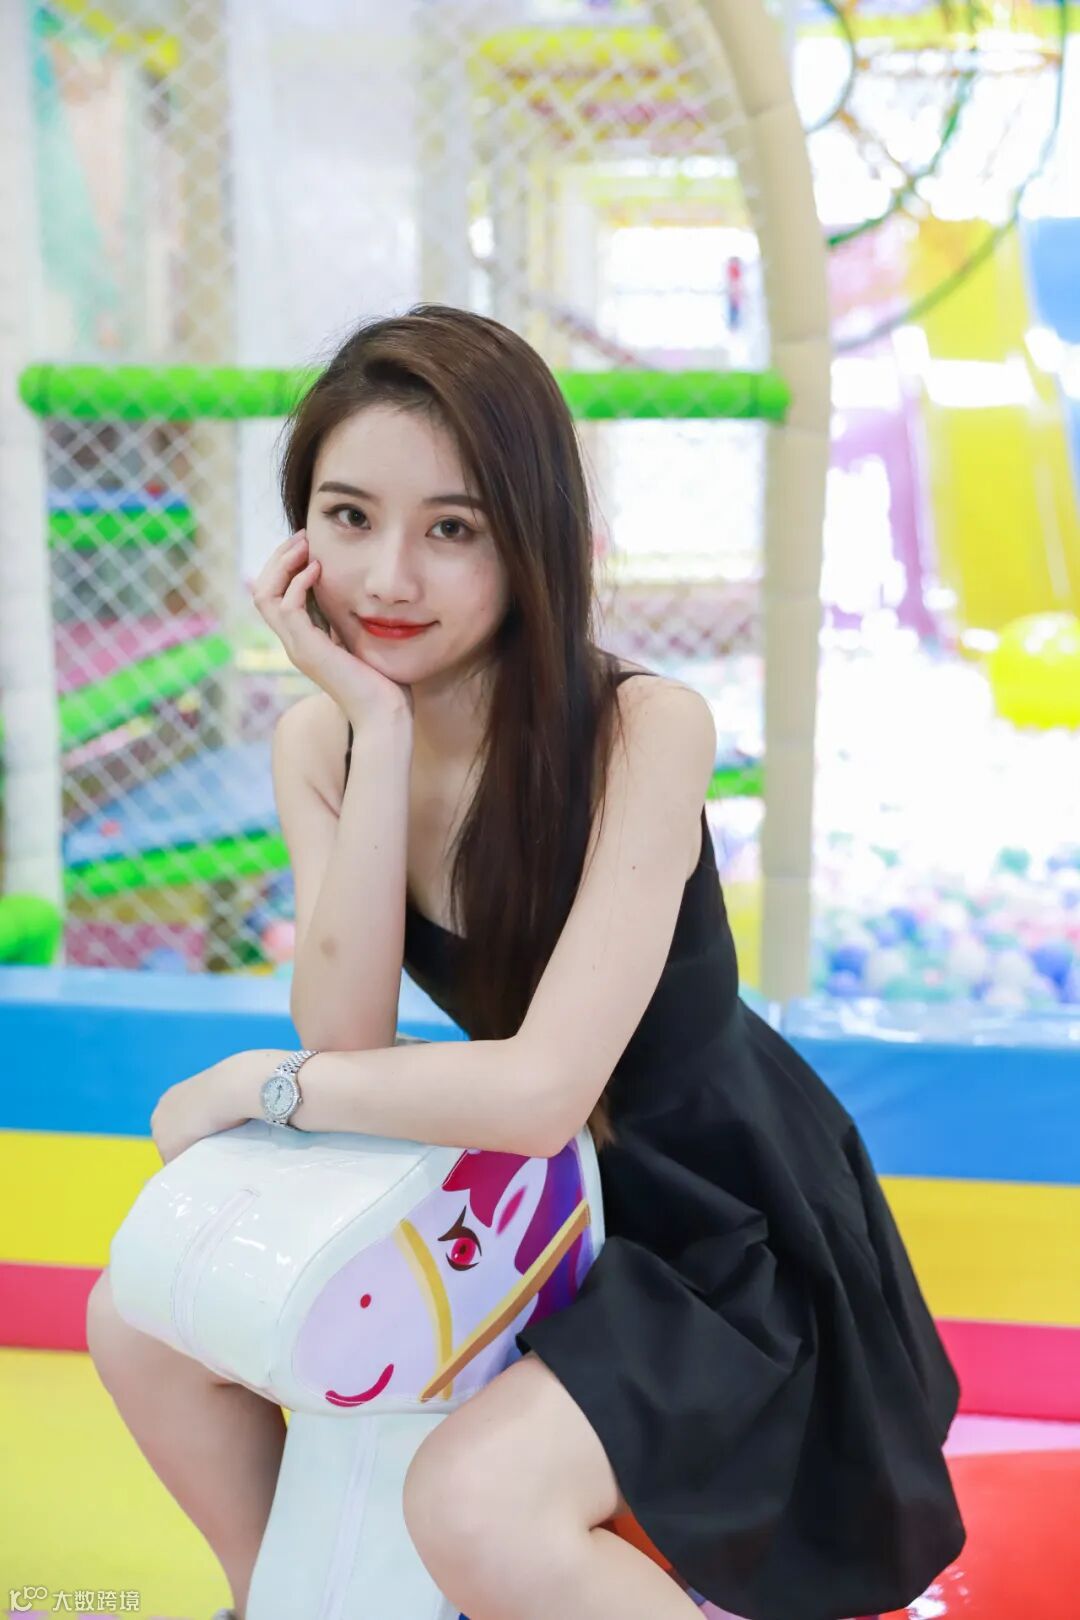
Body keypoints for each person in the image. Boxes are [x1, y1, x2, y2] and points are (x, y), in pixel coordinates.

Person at [88, 304, 965, 1620]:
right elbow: (350, 1030)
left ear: (529, 539)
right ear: (297, 536)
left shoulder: (642, 730)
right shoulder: (321, 742)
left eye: (453, 529)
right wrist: (376, 730)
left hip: (713, 1221)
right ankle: (273, 1597)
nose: (388, 578)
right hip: (521, 1196)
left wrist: (261, 1087)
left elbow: (543, 1088)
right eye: (347, 517)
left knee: (476, 1502)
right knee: (139, 1321)